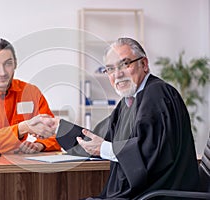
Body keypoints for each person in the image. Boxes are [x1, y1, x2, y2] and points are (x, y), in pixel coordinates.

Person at [57, 37, 199, 199]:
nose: (117, 74)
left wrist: (103, 148)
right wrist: (59, 129)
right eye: (110, 69)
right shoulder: (128, 102)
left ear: (144, 64)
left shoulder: (157, 96)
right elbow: (99, 138)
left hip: (157, 194)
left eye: (125, 64)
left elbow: (148, 153)